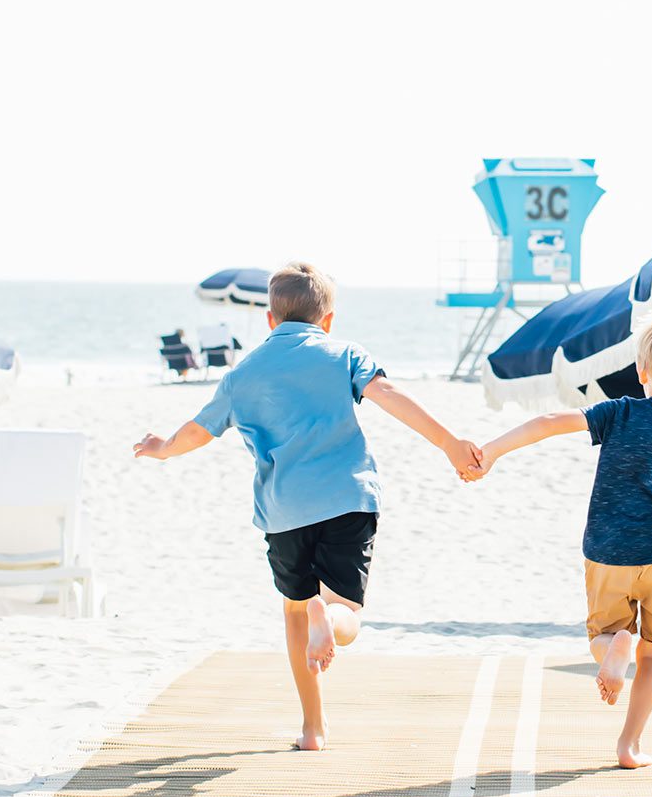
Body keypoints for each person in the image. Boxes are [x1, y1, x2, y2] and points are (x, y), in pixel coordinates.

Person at [134, 262, 482, 751]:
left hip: (284, 512)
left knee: (295, 612)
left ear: (270, 320)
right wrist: (448, 443)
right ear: (329, 319)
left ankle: (313, 728)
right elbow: (388, 394)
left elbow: (198, 431)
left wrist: (162, 447)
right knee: (347, 618)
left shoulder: (242, 375)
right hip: (349, 499)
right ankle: (330, 617)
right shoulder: (344, 354)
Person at [465, 305, 652, 768]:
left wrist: (492, 451)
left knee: (604, 632)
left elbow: (550, 423)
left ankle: (616, 647)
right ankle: (629, 745)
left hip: (610, 552)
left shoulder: (619, 414)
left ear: (641, 371)